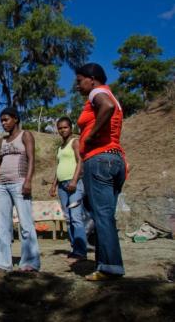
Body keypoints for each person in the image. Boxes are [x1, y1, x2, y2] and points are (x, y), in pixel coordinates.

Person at [75, 63, 126, 281]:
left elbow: (106, 108)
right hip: (115, 159)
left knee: (102, 215)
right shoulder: (113, 96)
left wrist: (90, 136)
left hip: (99, 159)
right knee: (105, 215)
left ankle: (110, 268)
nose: (77, 85)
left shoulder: (98, 92)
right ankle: (105, 264)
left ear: (92, 78)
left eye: (79, 81)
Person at [0, 107, 40, 273]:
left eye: (6, 119)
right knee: (2, 225)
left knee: (26, 224)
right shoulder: (2, 141)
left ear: (16, 119)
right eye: (2, 120)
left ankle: (30, 263)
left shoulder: (25, 135)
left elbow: (32, 159)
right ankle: (3, 263)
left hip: (20, 183)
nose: (3, 123)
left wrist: (28, 180)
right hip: (2, 186)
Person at [49, 117, 88, 261]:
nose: (62, 130)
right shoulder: (59, 148)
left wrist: (74, 180)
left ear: (70, 128)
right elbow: (58, 167)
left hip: (74, 184)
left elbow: (80, 161)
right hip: (62, 186)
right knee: (68, 218)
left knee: (76, 217)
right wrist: (54, 185)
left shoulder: (75, 142)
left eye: (65, 127)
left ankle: (81, 251)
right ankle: (74, 248)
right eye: (59, 128)